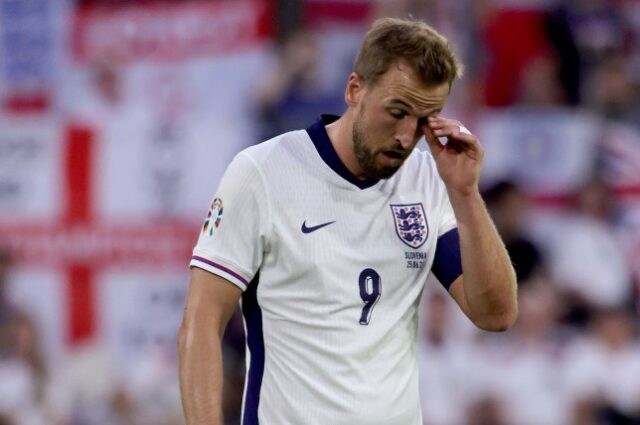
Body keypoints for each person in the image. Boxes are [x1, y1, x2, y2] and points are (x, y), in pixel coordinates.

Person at [179, 17, 518, 425]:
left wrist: (466, 195)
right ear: (354, 89)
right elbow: (201, 324)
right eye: (397, 112)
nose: (406, 137)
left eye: (425, 120)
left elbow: (495, 314)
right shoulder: (261, 172)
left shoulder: (428, 181)